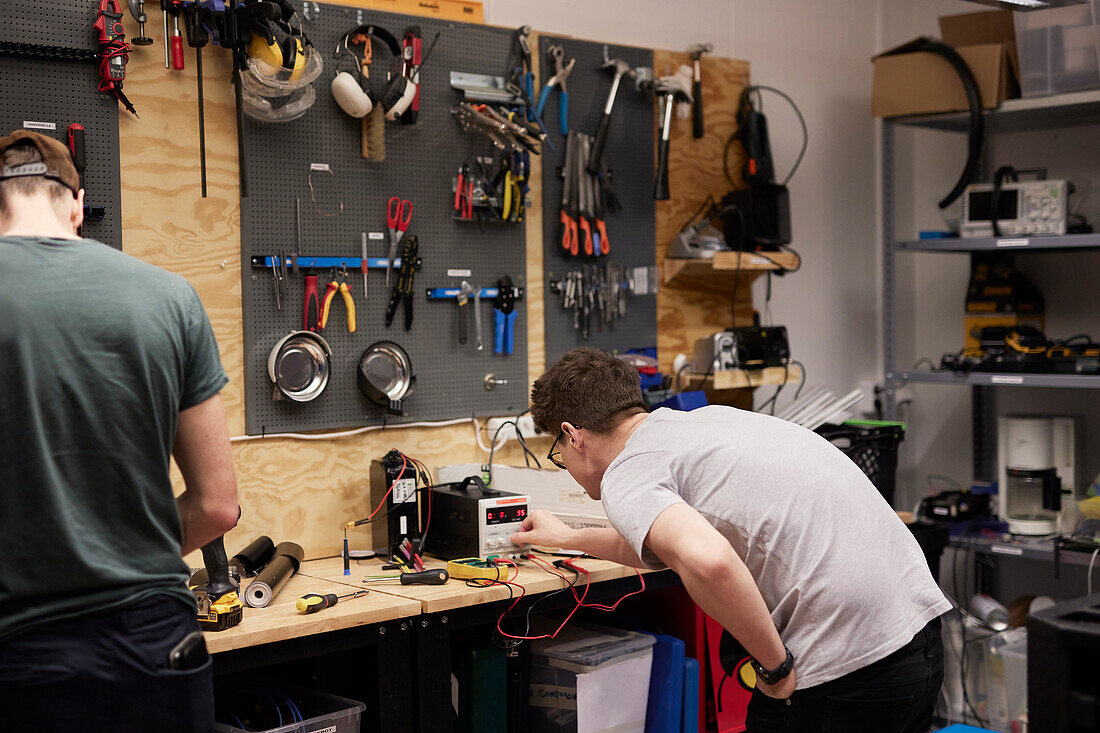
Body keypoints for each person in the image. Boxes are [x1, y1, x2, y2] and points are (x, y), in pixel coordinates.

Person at [511, 347, 949, 733]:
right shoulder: (707, 423)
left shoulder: (628, 473)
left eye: (557, 451)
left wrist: (774, 667)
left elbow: (710, 562)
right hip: (917, 639)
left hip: (845, 667)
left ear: (573, 435)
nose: (563, 460)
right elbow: (659, 547)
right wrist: (568, 537)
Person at [0, 131, 239, 731]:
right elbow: (217, 507)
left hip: (21, 652)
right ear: (76, 204)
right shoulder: (169, 297)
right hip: (156, 645)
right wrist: (123, 553)